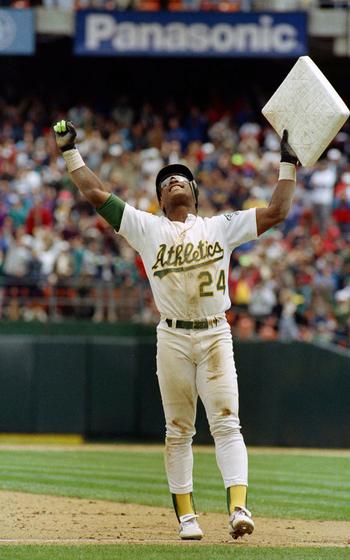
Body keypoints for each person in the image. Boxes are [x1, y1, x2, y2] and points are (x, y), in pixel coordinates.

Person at [53, 120, 298, 541]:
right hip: (173, 336)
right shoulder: (147, 228)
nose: (175, 182)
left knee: (226, 422)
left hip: (215, 332)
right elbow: (95, 195)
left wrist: (288, 163)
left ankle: (239, 507)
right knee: (179, 428)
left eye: (182, 178)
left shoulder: (220, 226)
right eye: (166, 181)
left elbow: (277, 212)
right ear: (160, 198)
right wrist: (69, 151)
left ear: (195, 193)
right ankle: (187, 517)